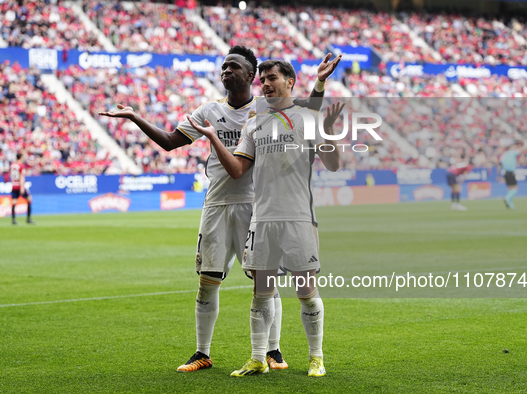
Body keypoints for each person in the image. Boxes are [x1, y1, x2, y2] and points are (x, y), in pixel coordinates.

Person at [99, 47, 341, 372]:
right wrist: (134, 117)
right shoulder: (209, 110)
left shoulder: (266, 109)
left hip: (257, 207)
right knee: (208, 278)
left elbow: (306, 114)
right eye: (224, 66)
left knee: (264, 282)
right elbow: (171, 141)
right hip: (216, 203)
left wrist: (320, 88)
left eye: (234, 66)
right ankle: (203, 352)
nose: (226, 70)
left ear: (251, 76)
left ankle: (273, 351)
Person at [186, 59, 344, 377]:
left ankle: (317, 357)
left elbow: (333, 163)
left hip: (299, 218)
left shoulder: (307, 117)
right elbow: (237, 169)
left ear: (290, 82)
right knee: (261, 293)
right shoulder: (255, 123)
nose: (265, 84)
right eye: (262, 81)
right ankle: (258, 358)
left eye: (272, 78)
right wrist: (213, 138)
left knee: (306, 292)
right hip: (261, 219)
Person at [10, 153, 34, 225]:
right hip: (19, 185)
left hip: (14, 185)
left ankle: (13, 220)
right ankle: (28, 218)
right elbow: (21, 176)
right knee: (29, 199)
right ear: (20, 157)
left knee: (14, 202)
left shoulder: (12, 165)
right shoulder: (21, 165)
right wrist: (22, 187)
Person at [500, 141, 523, 209]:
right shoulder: (513, 153)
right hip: (511, 172)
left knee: (510, 189)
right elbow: (520, 150)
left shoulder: (503, 155)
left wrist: (498, 175)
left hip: (505, 172)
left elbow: (500, 164)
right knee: (515, 188)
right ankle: (507, 198)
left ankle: (510, 204)